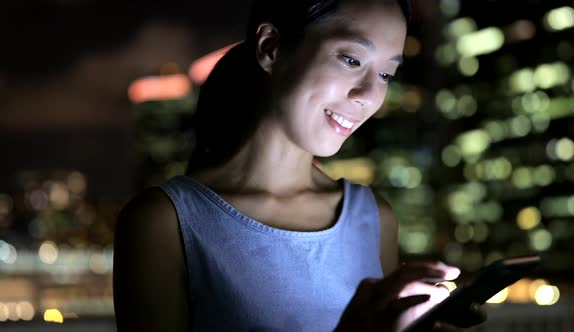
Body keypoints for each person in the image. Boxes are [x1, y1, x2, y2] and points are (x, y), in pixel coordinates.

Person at [113, 0, 486, 331]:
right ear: (271, 47)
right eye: (352, 59)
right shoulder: (164, 222)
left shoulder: (374, 217)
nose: (370, 96)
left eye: (386, 74)